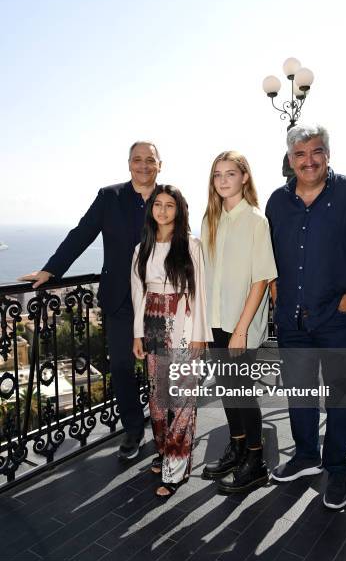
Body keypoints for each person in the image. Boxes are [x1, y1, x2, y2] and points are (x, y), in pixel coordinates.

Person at [266, 124, 346, 509]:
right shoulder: (275, 202)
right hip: (292, 320)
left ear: (327, 155)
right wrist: (273, 290)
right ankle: (306, 456)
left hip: (337, 318)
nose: (308, 160)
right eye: (300, 154)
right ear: (290, 161)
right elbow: (265, 255)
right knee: (300, 394)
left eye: (315, 152)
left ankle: (337, 468)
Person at [19, 141, 162, 460]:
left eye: (149, 160)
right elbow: (82, 234)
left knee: (161, 366)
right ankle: (134, 430)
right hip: (120, 299)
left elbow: (180, 243)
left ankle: (164, 423)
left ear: (159, 165)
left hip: (159, 298)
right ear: (128, 164)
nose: (143, 165)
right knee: (123, 367)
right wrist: (51, 269)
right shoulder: (109, 197)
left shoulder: (169, 197)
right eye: (137, 160)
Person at [201, 151, 277, 493]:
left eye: (230, 173)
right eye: (217, 174)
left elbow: (260, 280)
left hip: (240, 323)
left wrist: (242, 329)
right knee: (227, 389)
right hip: (215, 320)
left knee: (243, 393)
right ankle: (237, 447)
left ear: (244, 177)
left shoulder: (256, 221)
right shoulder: (210, 219)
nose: (222, 180)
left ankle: (256, 461)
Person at [131, 184, 212, 499]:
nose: (163, 210)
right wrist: (137, 334)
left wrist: (199, 336)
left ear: (179, 211)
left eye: (170, 205)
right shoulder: (141, 249)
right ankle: (165, 451)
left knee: (181, 401)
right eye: (158, 204)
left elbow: (199, 293)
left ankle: (176, 468)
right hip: (152, 325)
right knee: (158, 400)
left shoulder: (191, 246)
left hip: (183, 323)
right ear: (151, 210)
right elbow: (139, 294)